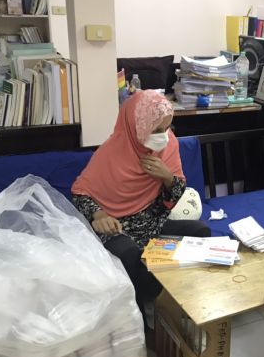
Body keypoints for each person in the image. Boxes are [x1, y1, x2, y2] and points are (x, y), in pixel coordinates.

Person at [71, 90, 210, 328]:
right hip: (117, 226)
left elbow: (174, 196)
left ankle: (184, 302)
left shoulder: (169, 145)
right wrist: (99, 214)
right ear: (136, 126)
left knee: (200, 231)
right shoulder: (110, 153)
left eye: (167, 128)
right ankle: (142, 322)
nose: (163, 136)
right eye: (156, 130)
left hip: (151, 222)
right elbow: (79, 193)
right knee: (128, 254)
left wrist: (167, 177)